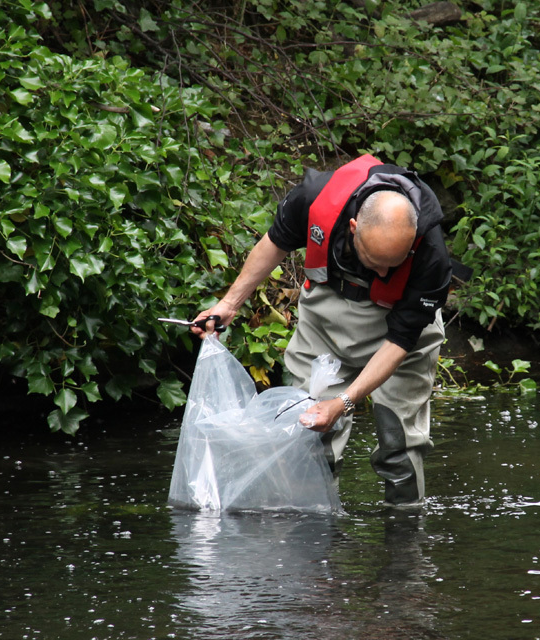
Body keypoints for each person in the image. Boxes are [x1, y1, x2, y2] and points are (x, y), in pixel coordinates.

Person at [192, 154, 452, 506]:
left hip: (400, 336)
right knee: (307, 436)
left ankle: (405, 543)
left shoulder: (432, 253)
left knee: (399, 446)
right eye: (374, 262)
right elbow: (275, 242)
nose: (382, 273)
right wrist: (230, 304)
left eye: (394, 264)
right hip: (326, 320)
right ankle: (311, 542)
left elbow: (401, 341)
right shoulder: (315, 196)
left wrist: (344, 402)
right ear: (354, 227)